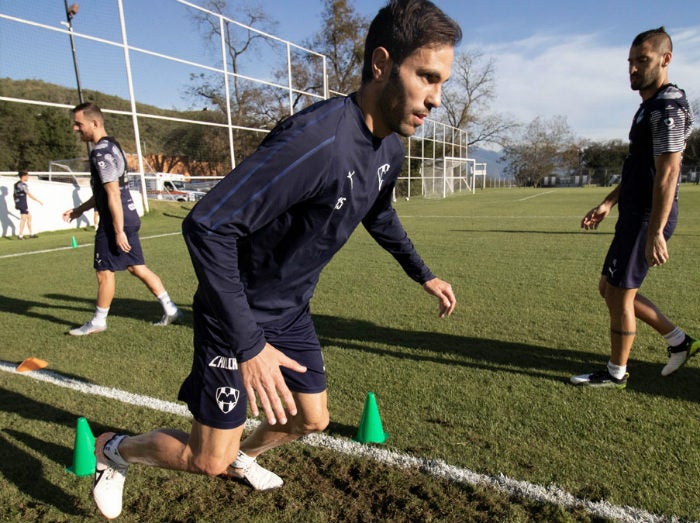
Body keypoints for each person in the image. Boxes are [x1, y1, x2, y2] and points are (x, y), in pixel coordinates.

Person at [89, 1, 460, 519]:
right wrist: (250, 344)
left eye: (441, 82)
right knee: (205, 460)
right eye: (427, 77)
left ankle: (243, 454)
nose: (436, 98)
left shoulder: (389, 148)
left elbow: (378, 213)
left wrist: (424, 273)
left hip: (289, 310)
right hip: (233, 312)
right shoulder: (318, 141)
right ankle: (114, 450)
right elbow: (207, 225)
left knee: (312, 419)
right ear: (381, 63)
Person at [571, 27, 700, 388]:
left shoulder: (667, 107)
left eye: (641, 61)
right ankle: (679, 341)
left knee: (618, 294)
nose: (632, 69)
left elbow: (668, 171)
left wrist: (656, 230)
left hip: (648, 216)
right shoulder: (650, 106)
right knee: (608, 288)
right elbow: (642, 169)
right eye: (630, 62)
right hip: (633, 212)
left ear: (665, 59)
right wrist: (609, 201)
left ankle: (615, 374)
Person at [63, 102, 182, 336]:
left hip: (114, 221)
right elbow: (105, 192)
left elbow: (112, 193)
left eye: (79, 124)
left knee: (104, 271)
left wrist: (117, 231)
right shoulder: (113, 145)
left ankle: (98, 321)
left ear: (94, 123)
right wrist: (79, 210)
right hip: (128, 214)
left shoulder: (100, 152)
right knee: (137, 267)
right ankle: (171, 308)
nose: (76, 129)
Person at [13, 170, 43, 239]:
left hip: (20, 203)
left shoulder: (16, 184)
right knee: (23, 218)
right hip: (22, 203)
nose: (28, 177)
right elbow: (29, 194)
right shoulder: (23, 185)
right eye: (27, 176)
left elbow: (14, 194)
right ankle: (20, 235)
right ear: (23, 176)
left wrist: (16, 203)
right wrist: (38, 201)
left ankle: (31, 234)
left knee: (29, 216)